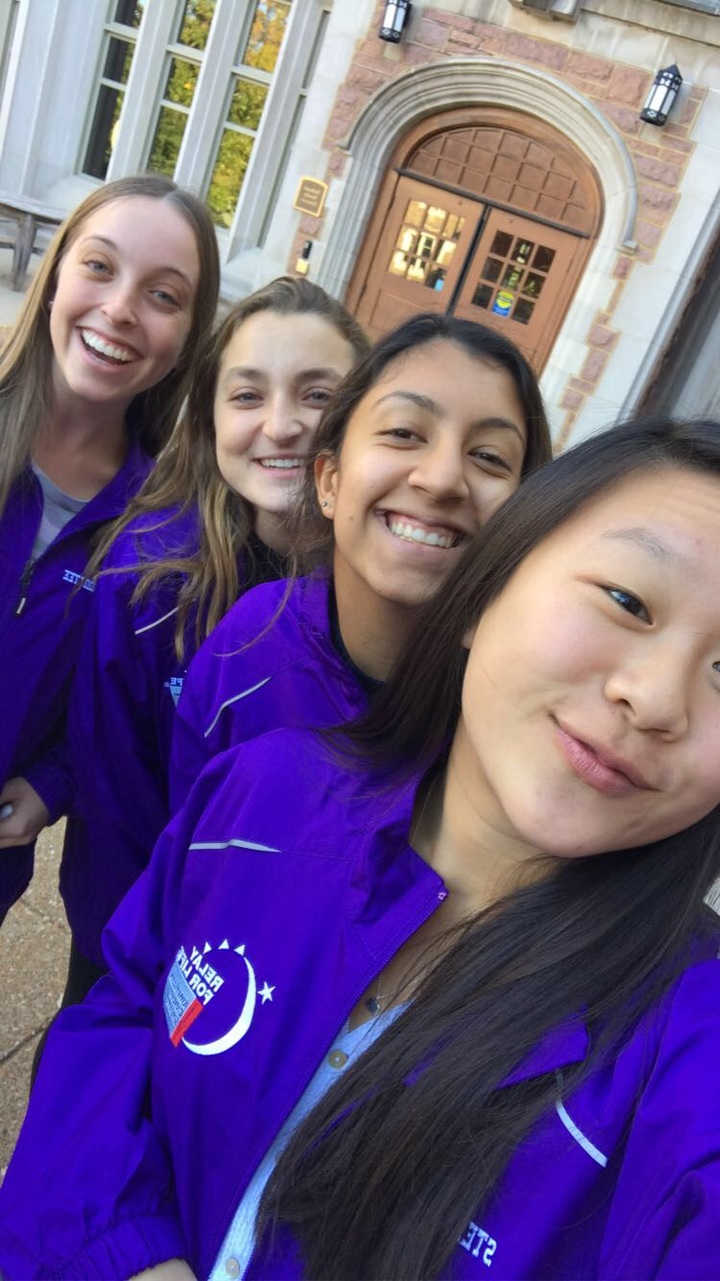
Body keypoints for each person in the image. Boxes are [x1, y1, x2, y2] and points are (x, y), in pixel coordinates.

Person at [3, 414, 718, 1281]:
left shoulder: (687, 1054)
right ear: (485, 591)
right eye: (629, 600)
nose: (655, 698)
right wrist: (127, 1256)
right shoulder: (265, 791)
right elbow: (120, 1013)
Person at [58, 277, 368, 1001]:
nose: (284, 425)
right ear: (210, 417)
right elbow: (115, 792)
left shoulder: (389, 602)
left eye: (318, 396)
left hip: (301, 962)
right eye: (249, 395)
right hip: (136, 931)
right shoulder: (145, 579)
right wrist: (133, 960)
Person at [169, 312, 551, 811]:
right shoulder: (250, 639)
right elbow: (186, 836)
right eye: (404, 433)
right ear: (328, 481)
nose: (441, 479)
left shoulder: (521, 713)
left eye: (489, 456)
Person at [0, 174, 219, 922]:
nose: (121, 310)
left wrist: (53, 783)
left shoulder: (164, 529)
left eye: (164, 295)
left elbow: (121, 693)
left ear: (189, 336)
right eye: (99, 266)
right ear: (56, 272)